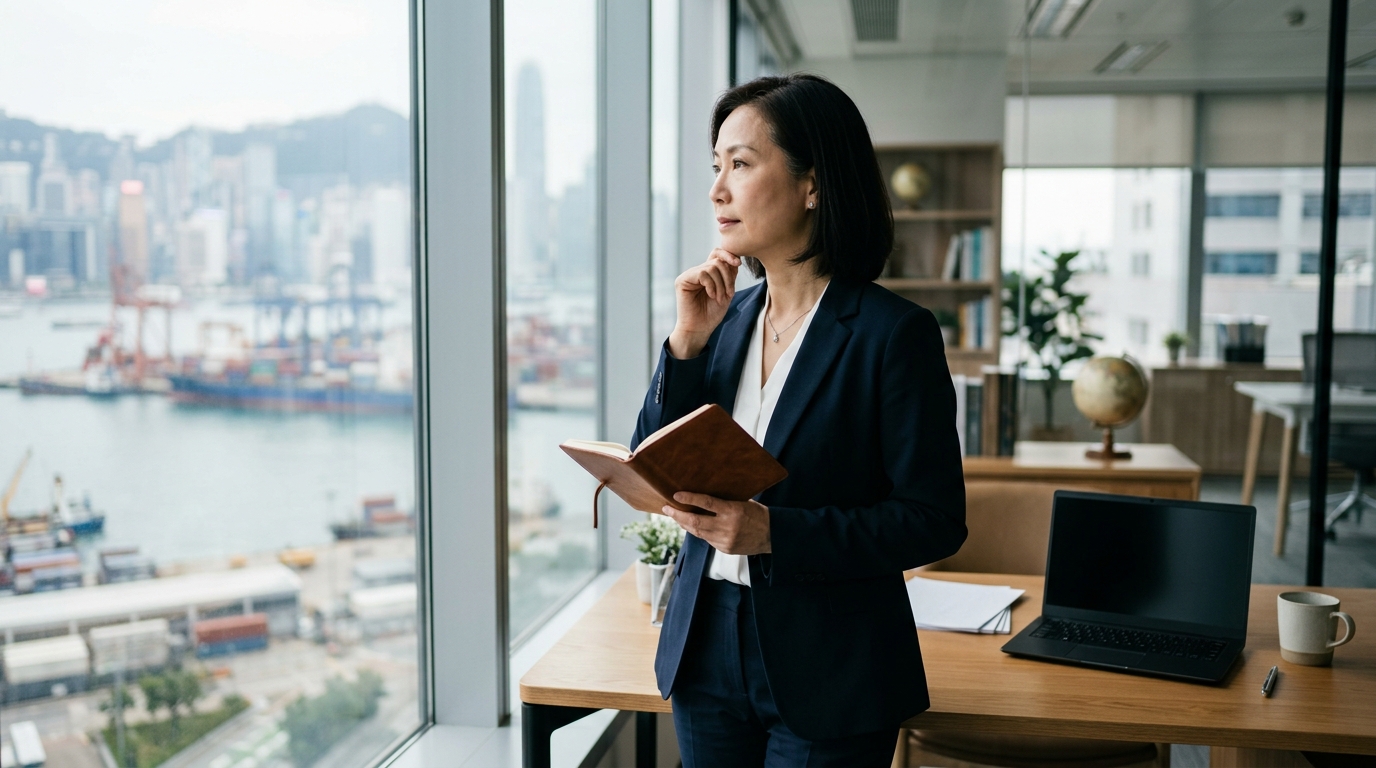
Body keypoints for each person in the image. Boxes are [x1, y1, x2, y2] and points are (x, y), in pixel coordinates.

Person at [629, 73, 967, 767]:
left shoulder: (892, 333)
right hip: (706, 643)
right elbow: (651, 462)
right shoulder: (723, 319)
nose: (718, 188)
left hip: (831, 661)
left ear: (812, 184)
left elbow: (934, 518)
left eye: (742, 165)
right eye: (716, 166)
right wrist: (685, 346)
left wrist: (775, 532)